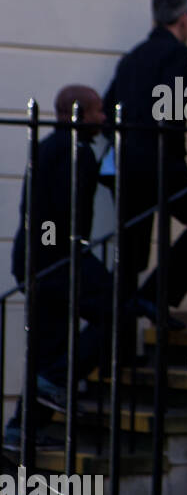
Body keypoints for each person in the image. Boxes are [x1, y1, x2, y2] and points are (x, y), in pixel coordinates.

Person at [103, 0, 187, 328]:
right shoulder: (177, 53)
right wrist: (175, 158)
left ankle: (118, 347)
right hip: (159, 160)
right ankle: (154, 295)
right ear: (183, 18)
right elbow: (170, 109)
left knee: (130, 251)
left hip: (127, 164)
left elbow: (106, 108)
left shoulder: (132, 56)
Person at [4, 86, 116, 450]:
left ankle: (22, 429)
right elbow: (64, 215)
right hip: (55, 262)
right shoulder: (74, 153)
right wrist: (71, 257)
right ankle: (55, 380)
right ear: (79, 115)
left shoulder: (50, 146)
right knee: (114, 311)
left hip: (35, 261)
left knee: (48, 345)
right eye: (98, 112)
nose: (103, 118)